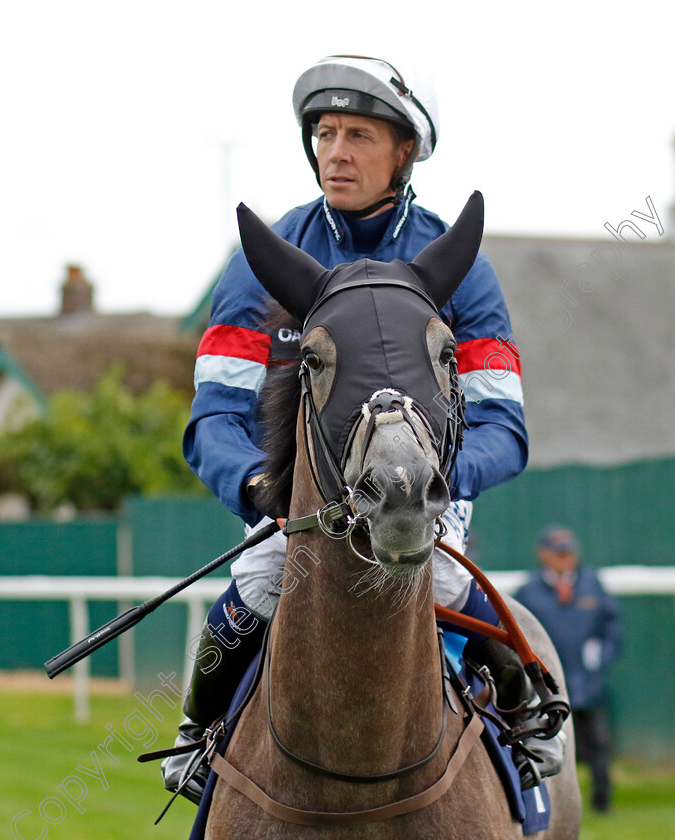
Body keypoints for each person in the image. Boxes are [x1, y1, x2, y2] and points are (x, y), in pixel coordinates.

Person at [164, 54, 559, 802]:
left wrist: (436, 483)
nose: (335, 153)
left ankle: (522, 728)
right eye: (324, 133)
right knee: (256, 575)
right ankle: (197, 736)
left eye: (358, 136)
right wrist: (256, 485)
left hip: (424, 501)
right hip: (303, 507)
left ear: (404, 151)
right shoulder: (261, 263)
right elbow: (215, 413)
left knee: (440, 571)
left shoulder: (460, 267)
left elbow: (502, 426)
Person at [515, 525, 624, 812]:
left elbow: (613, 626)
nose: (565, 558)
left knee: (598, 742)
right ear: (543, 555)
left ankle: (603, 799)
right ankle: (556, 801)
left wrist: (600, 659)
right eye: (558, 552)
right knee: (551, 743)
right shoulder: (528, 592)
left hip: (588, 683)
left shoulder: (592, 584)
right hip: (547, 686)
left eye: (570, 552)